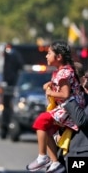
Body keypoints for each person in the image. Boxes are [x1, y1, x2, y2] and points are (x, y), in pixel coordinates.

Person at [26, 41, 85, 172]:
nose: (46, 56)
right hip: (65, 108)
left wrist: (50, 92)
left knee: (41, 120)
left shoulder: (64, 73)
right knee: (46, 128)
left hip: (69, 109)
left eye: (49, 53)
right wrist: (49, 85)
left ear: (58, 57)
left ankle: (42, 157)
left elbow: (65, 94)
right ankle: (55, 162)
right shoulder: (63, 71)